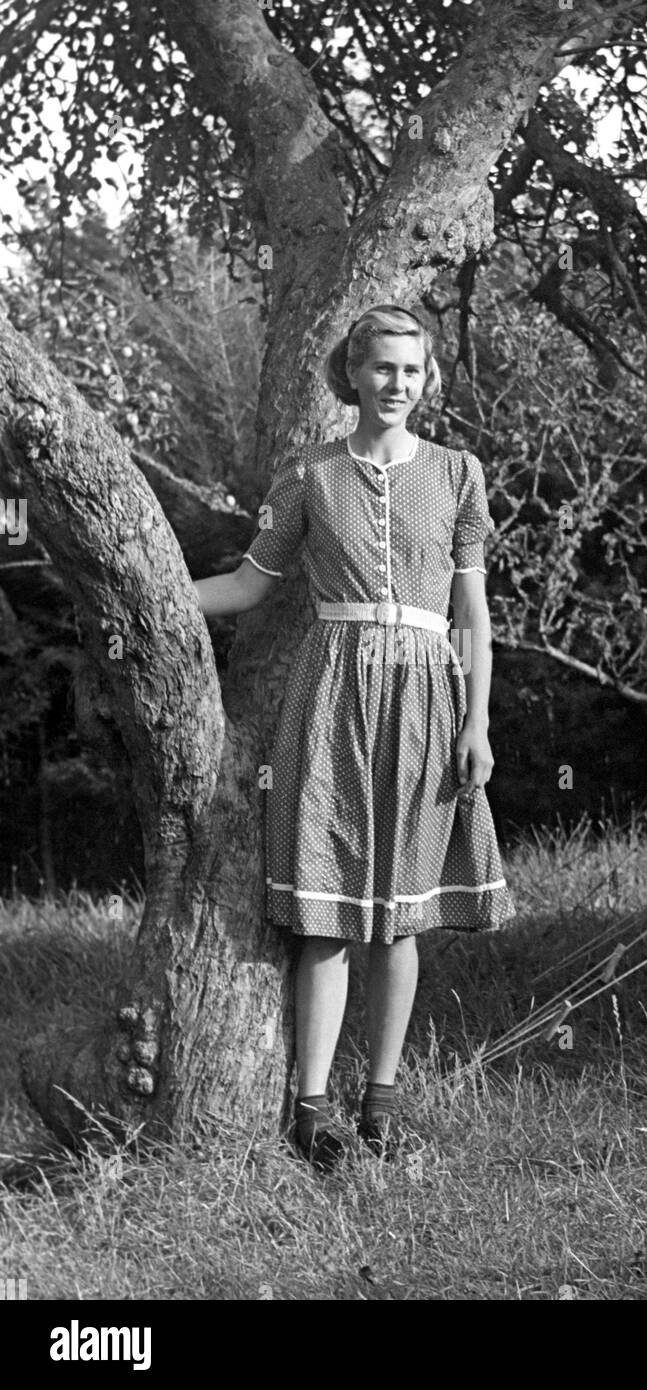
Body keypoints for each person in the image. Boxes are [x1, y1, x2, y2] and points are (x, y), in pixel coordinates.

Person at [194, 303, 516, 1172]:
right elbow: (247, 586)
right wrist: (156, 592)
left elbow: (475, 621)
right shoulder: (311, 475)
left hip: (426, 697)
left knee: (398, 921)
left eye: (411, 371)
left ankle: (381, 1102)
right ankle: (311, 1108)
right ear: (352, 373)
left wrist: (477, 724)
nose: (397, 385)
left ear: (427, 377)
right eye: (382, 369)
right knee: (328, 915)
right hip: (332, 691)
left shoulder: (458, 474)